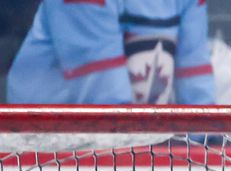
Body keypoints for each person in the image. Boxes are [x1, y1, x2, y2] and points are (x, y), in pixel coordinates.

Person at [7, 0, 214, 105]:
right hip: (38, 155)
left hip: (129, 144)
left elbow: (196, 88)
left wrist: (208, 139)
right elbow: (103, 99)